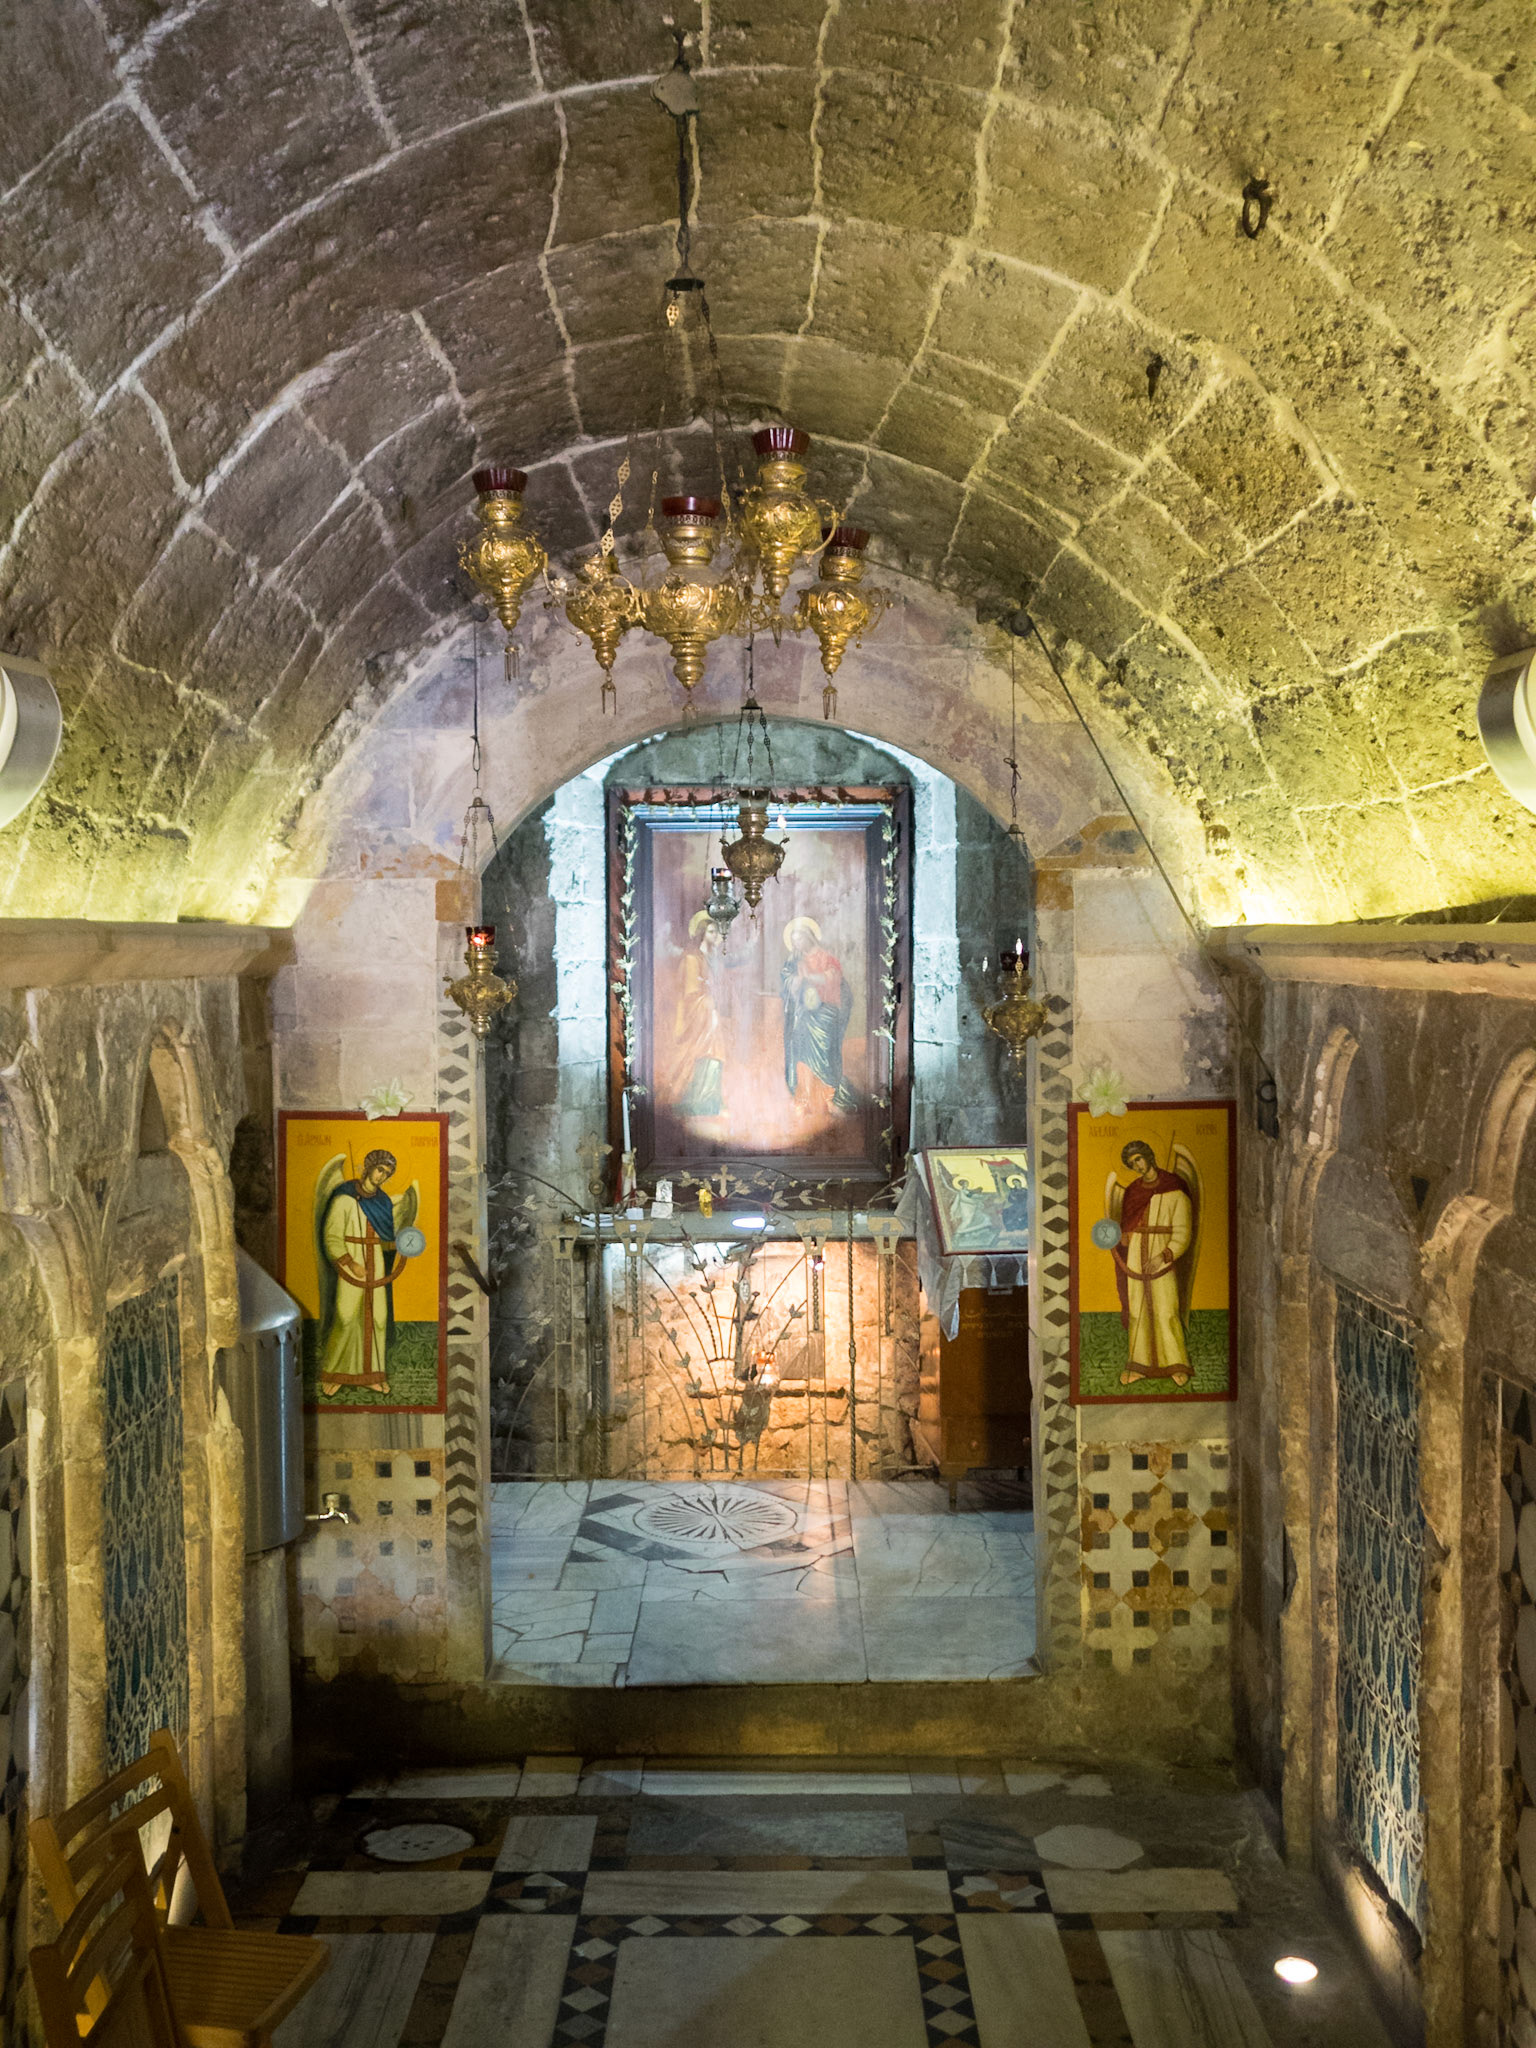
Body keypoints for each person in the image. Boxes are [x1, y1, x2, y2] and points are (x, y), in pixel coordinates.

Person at [315, 1149, 415, 1397]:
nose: (382, 1176)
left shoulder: (382, 1202)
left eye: (388, 1173)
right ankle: (335, 1373)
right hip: (352, 1263)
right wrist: (350, 1263)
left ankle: (373, 1376)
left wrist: (407, 1243)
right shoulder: (344, 1199)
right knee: (346, 1315)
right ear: (369, 1167)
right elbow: (331, 1236)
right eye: (380, 1169)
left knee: (377, 1318)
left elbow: (387, 1238)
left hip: (376, 1263)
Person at [1107, 1139, 1195, 1386]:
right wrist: (1120, 1237)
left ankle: (1177, 1365)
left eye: (1139, 1159)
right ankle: (1139, 1367)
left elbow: (1183, 1232)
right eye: (1132, 1163)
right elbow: (1127, 1227)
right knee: (1138, 1311)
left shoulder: (1175, 1188)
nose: (1137, 1166)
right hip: (1135, 1257)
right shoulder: (1133, 1191)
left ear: (1149, 1156)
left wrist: (1163, 1256)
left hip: (1162, 1257)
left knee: (1166, 1311)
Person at [780, 916, 858, 1117]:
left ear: (809, 937)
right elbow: (788, 982)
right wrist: (796, 980)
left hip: (826, 1013)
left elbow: (833, 979)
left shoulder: (826, 957)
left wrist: (810, 978)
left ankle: (828, 1099)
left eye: (800, 939)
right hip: (804, 1015)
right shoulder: (795, 961)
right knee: (802, 1056)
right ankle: (803, 1100)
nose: (797, 944)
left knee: (826, 1056)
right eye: (794, 940)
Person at [671, 910, 728, 1119]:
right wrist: (707, 1000)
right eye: (712, 932)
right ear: (703, 933)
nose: (716, 936)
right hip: (699, 1013)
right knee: (709, 1050)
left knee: (715, 1053)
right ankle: (698, 1099)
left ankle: (710, 1100)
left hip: (710, 1012)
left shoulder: (713, 959)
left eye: (718, 932)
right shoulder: (692, 958)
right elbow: (690, 992)